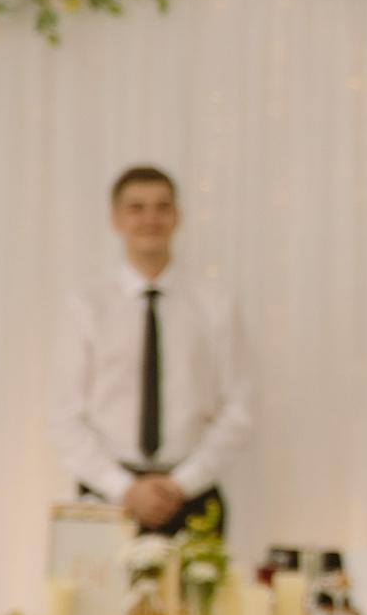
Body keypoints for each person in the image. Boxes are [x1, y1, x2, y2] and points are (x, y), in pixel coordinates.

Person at [49, 167, 252, 534]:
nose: (150, 218)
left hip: (192, 495)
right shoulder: (86, 305)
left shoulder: (214, 304)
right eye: (136, 208)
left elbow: (238, 408)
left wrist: (182, 484)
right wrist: (124, 488)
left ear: (177, 217)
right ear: (116, 219)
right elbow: (65, 416)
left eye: (162, 207)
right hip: (106, 496)